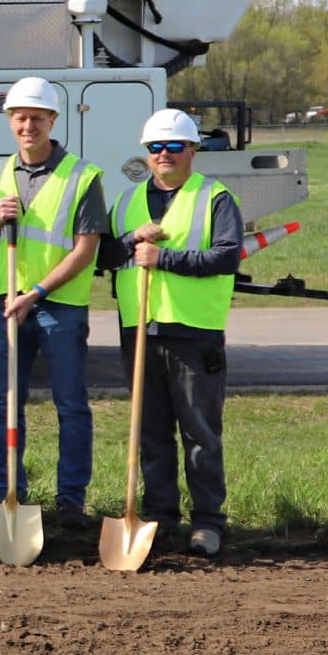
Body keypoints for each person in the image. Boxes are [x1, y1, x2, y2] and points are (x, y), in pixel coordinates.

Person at [0, 77, 105, 535]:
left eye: (37, 118)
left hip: (58, 307)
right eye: (20, 117)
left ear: (52, 121)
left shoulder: (83, 177)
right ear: (10, 121)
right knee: (6, 405)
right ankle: (10, 490)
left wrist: (36, 294)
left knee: (71, 407)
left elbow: (85, 250)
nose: (28, 125)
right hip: (8, 304)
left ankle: (71, 502)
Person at [111, 107, 242, 559]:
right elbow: (105, 256)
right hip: (141, 330)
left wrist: (163, 259)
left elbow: (226, 257)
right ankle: (159, 517)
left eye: (173, 146)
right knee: (149, 433)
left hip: (194, 333)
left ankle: (207, 522)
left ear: (192, 150)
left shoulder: (216, 197)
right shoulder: (127, 201)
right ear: (146, 154)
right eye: (155, 148)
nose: (163, 154)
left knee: (200, 434)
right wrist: (130, 241)